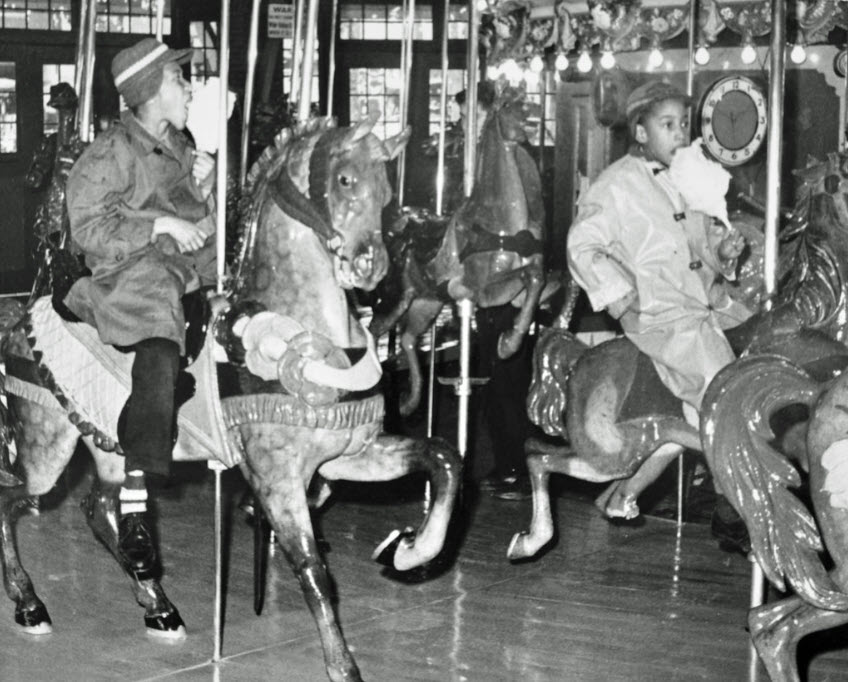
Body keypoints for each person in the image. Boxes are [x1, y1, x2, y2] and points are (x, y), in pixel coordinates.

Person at [64, 37, 217, 580]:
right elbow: (87, 229)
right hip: (129, 278)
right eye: (178, 80)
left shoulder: (178, 145)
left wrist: (205, 191)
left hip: (182, 273)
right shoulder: (109, 154)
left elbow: (196, 223)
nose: (188, 88)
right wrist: (158, 225)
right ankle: (134, 496)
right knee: (157, 347)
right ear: (151, 92)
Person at [567, 80, 751, 519]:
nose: (679, 134)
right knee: (727, 396)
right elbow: (581, 245)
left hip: (704, 307)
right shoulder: (615, 186)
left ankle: (625, 494)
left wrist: (723, 253)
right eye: (667, 124)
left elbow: (699, 245)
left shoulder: (685, 180)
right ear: (641, 131)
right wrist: (621, 297)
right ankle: (736, 511)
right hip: (661, 316)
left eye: (683, 124)